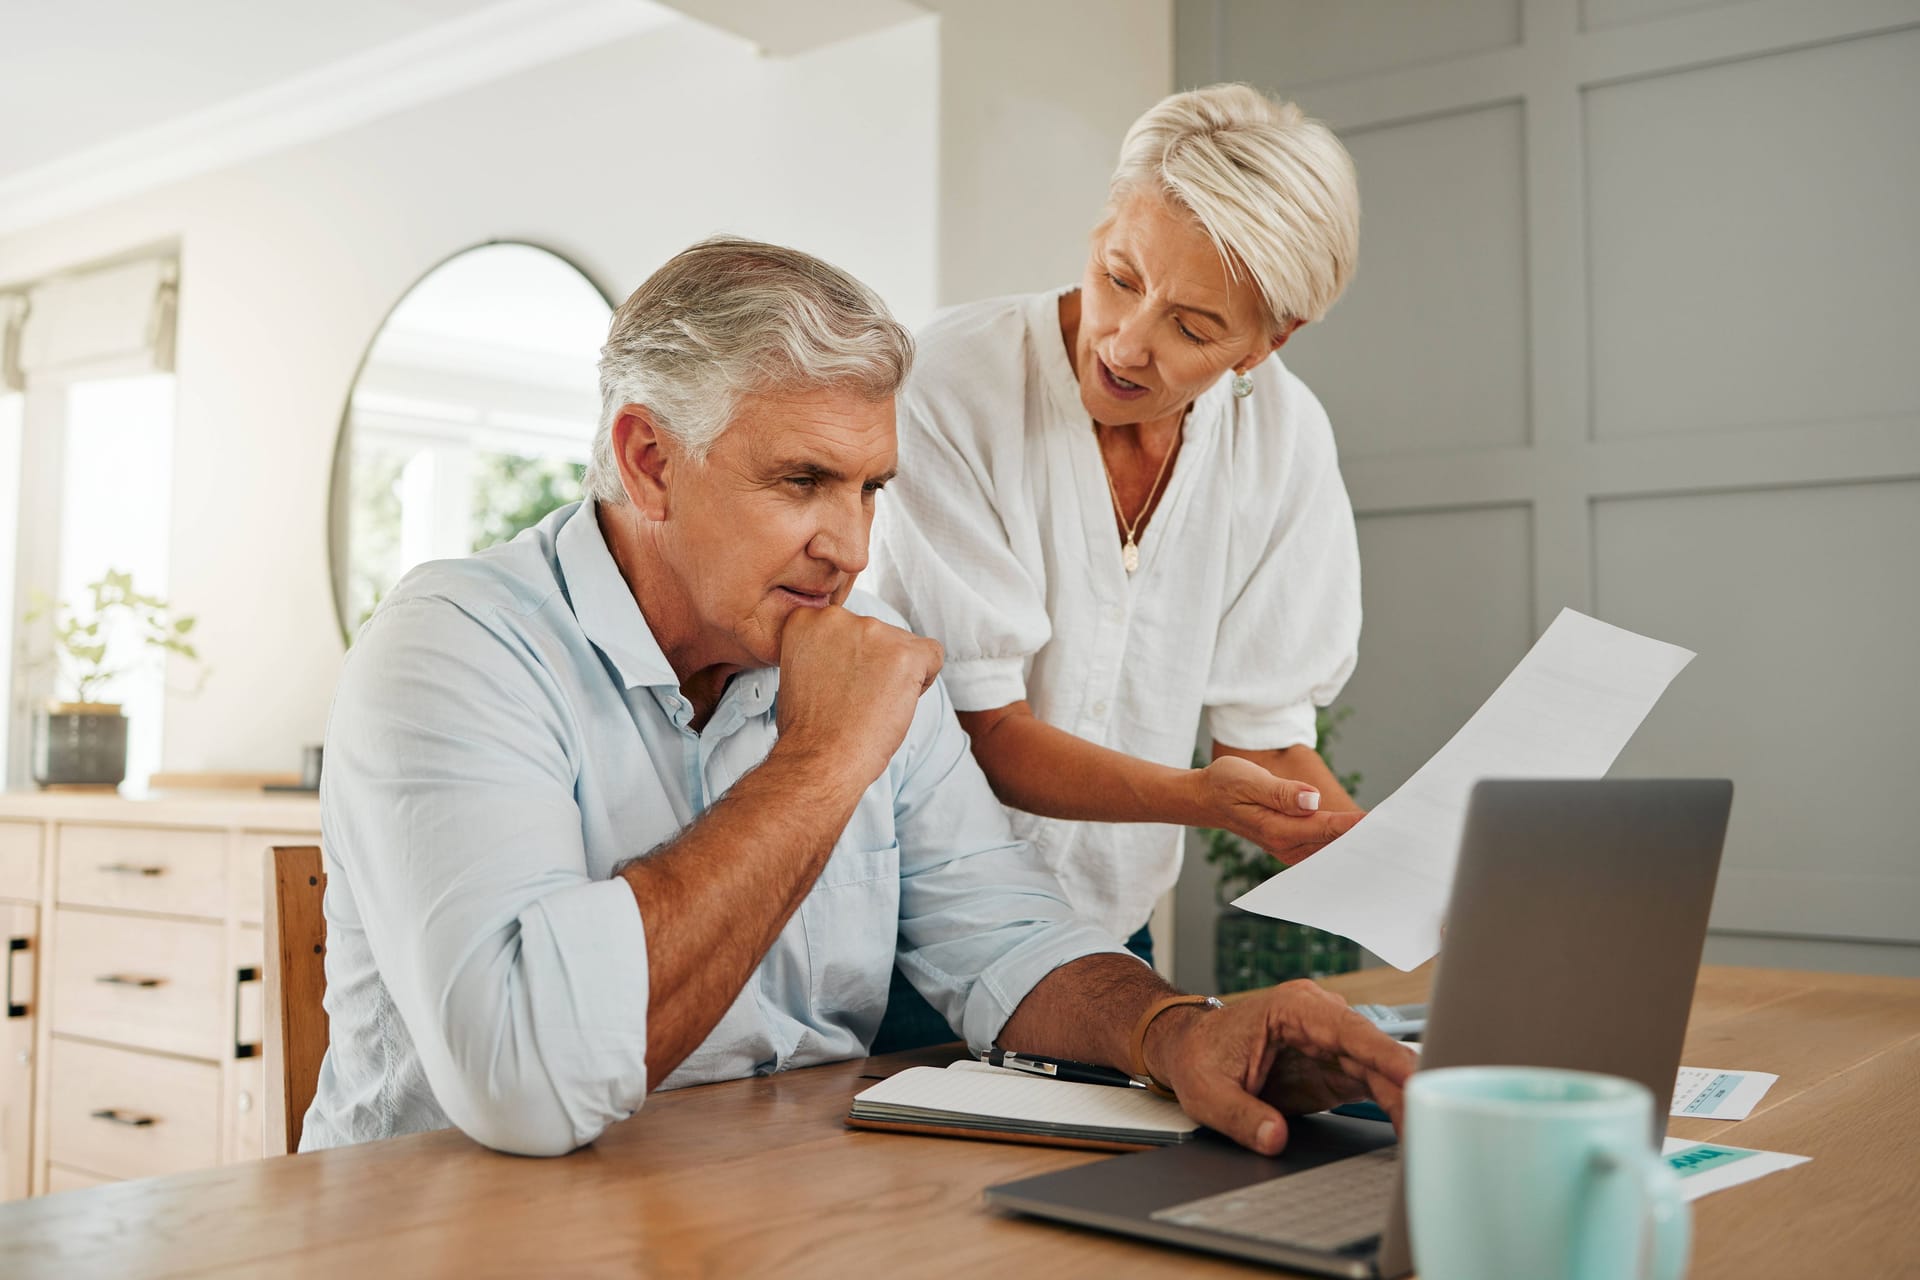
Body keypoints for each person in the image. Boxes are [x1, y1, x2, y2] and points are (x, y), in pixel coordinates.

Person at [303, 236, 1412, 1160]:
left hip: (765, 1206)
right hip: (442, 1229)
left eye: (872, 487)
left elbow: (1004, 935)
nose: (850, 545)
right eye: (801, 482)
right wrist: (819, 762)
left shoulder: (858, 656)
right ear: (647, 459)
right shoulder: (454, 644)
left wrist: (1176, 1029)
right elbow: (524, 1083)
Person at [869, 85, 1367, 1039]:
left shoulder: (1283, 438)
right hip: (909, 943)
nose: (1126, 344)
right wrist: (1198, 802)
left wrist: (1405, 874)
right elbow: (988, 733)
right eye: (1120, 275)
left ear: (1272, 341)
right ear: (1103, 225)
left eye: (1194, 327)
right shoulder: (953, 383)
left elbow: (1262, 741)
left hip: (1106, 950)